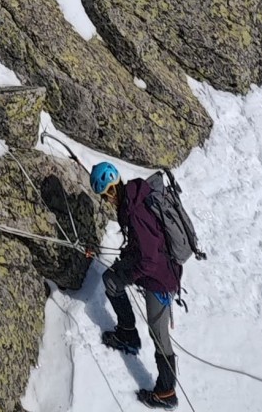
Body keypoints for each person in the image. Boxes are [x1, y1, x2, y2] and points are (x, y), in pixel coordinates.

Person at [90, 161, 180, 408]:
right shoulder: (132, 199)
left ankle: (166, 392)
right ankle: (127, 334)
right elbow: (143, 246)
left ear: (111, 190)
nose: (106, 201)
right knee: (111, 280)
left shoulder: (136, 211)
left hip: (160, 277)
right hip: (157, 269)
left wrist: (130, 275)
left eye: (104, 195)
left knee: (158, 332)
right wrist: (127, 263)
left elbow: (149, 259)